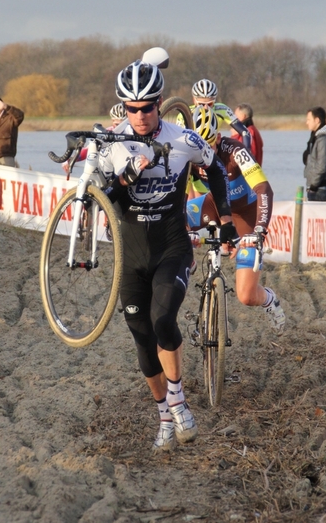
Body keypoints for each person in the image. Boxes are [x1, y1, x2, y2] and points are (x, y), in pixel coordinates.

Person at [98, 60, 239, 453]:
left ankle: (178, 399)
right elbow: (107, 199)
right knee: (142, 339)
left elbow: (214, 171)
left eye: (146, 107)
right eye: (131, 108)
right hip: (130, 252)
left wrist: (226, 217)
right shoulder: (114, 144)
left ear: (159, 103)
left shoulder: (183, 139)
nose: (139, 116)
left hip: (172, 246)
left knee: (163, 321)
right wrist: (126, 176)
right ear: (123, 108)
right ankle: (164, 414)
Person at [186, 106, 286, 335]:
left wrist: (259, 230)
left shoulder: (234, 150)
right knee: (174, 222)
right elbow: (178, 198)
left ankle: (269, 299)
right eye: (198, 148)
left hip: (246, 216)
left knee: (247, 296)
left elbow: (263, 189)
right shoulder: (187, 154)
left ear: (219, 138)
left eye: (209, 147)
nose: (203, 155)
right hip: (214, 206)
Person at [303, 107, 326, 202]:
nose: (306, 122)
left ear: (317, 120)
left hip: (322, 189)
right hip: (317, 188)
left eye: (308, 120)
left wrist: (313, 186)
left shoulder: (325, 139)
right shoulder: (315, 137)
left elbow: (322, 166)